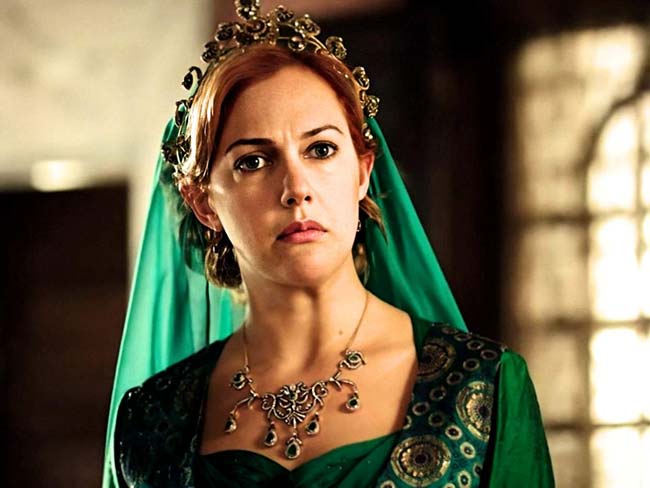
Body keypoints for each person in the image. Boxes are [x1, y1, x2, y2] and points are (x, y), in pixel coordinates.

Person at [102, 2, 554, 487]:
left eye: (321, 150)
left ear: (362, 172)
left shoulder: (484, 387)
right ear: (203, 202)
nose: (296, 189)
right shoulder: (151, 421)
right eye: (253, 161)